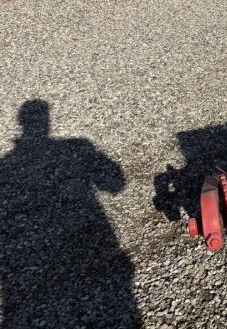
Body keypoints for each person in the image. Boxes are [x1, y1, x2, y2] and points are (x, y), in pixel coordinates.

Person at [0, 100, 139, 327]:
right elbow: (115, 184)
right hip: (96, 243)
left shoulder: (5, 166)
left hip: (24, 283)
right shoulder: (77, 146)